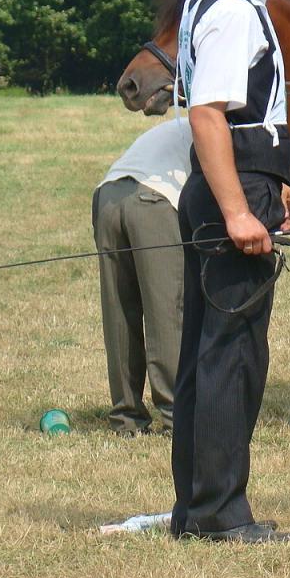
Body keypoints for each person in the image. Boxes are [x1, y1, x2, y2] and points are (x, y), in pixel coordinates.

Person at [169, 0, 290, 544]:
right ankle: (221, 515)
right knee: (232, 356)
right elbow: (207, 115)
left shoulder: (216, 0)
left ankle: (196, 512)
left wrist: (277, 179)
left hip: (247, 182)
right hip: (229, 194)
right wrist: (237, 210)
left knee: (208, 352)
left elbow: (249, 111)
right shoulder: (233, 9)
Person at [93, 117, 192, 437]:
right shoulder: (223, 126)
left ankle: (127, 418)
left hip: (107, 196)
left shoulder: (181, 123)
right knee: (167, 312)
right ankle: (177, 417)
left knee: (119, 311)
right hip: (153, 200)